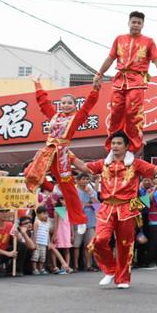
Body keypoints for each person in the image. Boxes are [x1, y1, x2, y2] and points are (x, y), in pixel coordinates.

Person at [71, 131, 157, 288]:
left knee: (125, 244)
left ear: (126, 146)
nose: (115, 146)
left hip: (127, 208)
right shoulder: (103, 163)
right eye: (113, 143)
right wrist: (69, 156)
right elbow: (84, 167)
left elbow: (156, 170)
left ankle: (122, 279)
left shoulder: (135, 164)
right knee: (100, 240)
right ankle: (109, 269)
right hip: (107, 207)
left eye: (118, 143)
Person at [25, 75, 100, 233]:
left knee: (68, 189)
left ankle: (79, 220)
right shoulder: (54, 116)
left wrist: (95, 89)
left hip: (62, 156)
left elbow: (88, 106)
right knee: (28, 173)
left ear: (74, 105)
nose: (65, 105)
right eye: (63, 103)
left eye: (69, 103)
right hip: (47, 153)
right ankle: (51, 190)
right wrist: (38, 85)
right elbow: (44, 103)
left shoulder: (76, 118)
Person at [94, 11, 157, 153]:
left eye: (139, 23)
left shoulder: (149, 41)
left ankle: (132, 147)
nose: (136, 25)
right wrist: (99, 74)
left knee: (133, 113)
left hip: (137, 80)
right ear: (128, 23)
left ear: (142, 25)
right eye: (133, 22)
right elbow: (110, 58)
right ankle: (114, 145)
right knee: (115, 112)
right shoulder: (119, 39)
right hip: (119, 80)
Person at [32, 205, 50, 274]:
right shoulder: (37, 222)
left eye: (46, 213)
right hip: (38, 242)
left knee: (42, 257)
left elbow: (47, 233)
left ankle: (41, 268)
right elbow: (35, 233)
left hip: (44, 243)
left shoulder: (47, 223)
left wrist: (48, 242)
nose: (46, 215)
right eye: (43, 213)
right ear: (38, 214)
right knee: (35, 256)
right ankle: (34, 269)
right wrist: (35, 242)